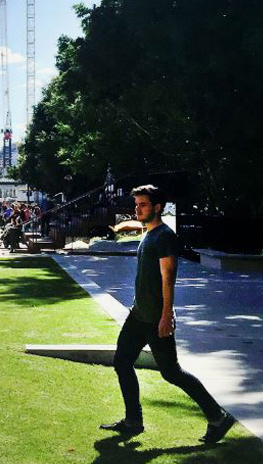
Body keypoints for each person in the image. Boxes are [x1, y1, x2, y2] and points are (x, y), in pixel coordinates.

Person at [100, 185, 235, 443]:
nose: (137, 209)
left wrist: (166, 315)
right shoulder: (149, 234)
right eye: (137, 204)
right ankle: (133, 420)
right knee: (122, 361)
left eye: (143, 205)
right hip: (138, 315)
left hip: (154, 319)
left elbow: (168, 279)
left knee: (171, 372)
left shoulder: (164, 237)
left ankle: (218, 417)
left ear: (158, 207)